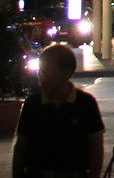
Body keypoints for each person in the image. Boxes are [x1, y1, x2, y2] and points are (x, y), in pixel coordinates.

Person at [12, 43, 105, 178]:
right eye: (40, 70)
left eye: (46, 70)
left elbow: (96, 147)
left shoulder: (85, 103)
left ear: (66, 72)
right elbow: (21, 146)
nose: (41, 76)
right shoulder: (33, 103)